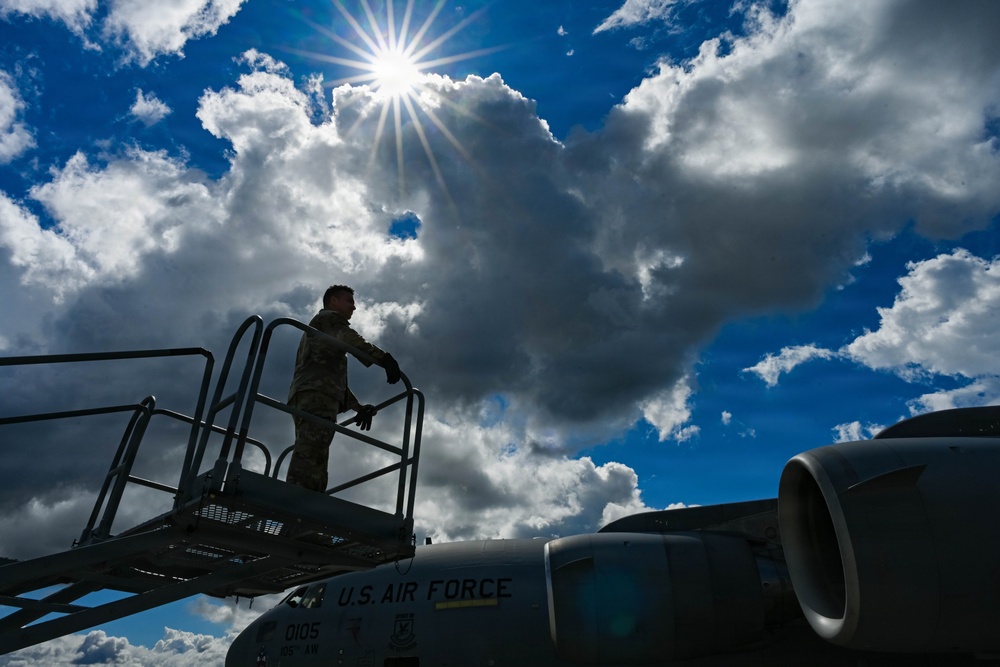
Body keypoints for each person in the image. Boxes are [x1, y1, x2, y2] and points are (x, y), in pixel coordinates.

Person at [285, 285, 401, 491]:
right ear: (333, 302)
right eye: (349, 301)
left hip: (314, 393)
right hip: (316, 396)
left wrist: (358, 407)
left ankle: (305, 507)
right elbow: (350, 338)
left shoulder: (324, 331)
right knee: (311, 454)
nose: (354, 308)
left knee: (316, 453)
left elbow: (326, 376)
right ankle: (296, 506)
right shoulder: (328, 319)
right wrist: (383, 358)